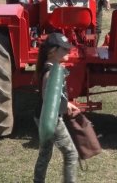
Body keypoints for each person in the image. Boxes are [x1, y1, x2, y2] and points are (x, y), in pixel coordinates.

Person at [33, 32, 79, 183]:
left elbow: (56, 94)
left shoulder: (52, 68)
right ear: (53, 51)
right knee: (71, 154)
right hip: (51, 119)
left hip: (41, 116)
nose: (68, 51)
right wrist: (62, 108)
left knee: (45, 154)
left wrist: (68, 103)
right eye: (64, 49)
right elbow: (49, 100)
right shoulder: (51, 73)